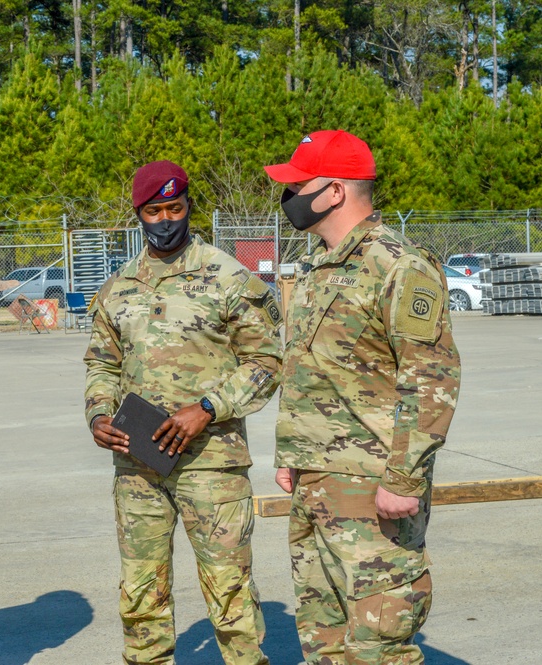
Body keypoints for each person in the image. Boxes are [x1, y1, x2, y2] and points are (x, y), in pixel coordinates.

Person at [264, 130, 461, 664]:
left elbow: (431, 377)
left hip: (373, 486)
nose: (288, 198)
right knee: (323, 638)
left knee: (379, 641)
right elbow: (311, 370)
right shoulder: (317, 269)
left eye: (297, 185)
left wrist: (403, 478)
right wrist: (292, 458)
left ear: (333, 191)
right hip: (316, 481)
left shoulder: (399, 265)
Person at [84, 160, 283, 665]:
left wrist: (210, 408)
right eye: (155, 211)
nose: (166, 219)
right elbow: (102, 364)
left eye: (175, 207)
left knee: (229, 589)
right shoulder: (118, 287)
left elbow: (267, 362)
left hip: (210, 461)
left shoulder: (228, 277)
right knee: (140, 590)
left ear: (190, 206)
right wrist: (98, 415)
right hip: (137, 461)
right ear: (140, 216)